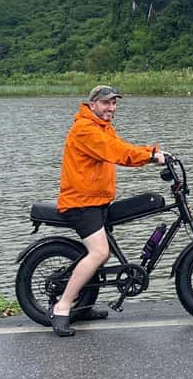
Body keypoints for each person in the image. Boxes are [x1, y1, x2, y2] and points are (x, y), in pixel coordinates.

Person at [50, 85, 167, 337]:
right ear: (92, 104)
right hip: (80, 203)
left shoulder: (102, 127)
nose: (111, 109)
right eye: (106, 104)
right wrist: (151, 154)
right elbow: (116, 152)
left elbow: (120, 146)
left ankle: (83, 306)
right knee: (100, 251)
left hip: (96, 200)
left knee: (103, 253)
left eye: (114, 104)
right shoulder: (85, 129)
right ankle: (63, 307)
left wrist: (151, 153)